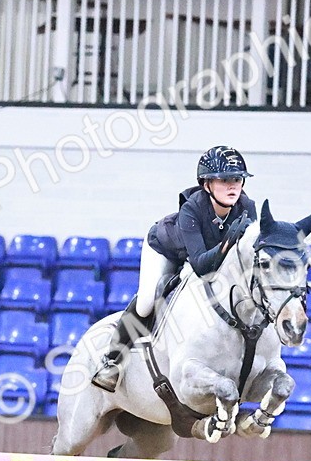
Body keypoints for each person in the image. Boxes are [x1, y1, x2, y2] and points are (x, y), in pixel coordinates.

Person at [92, 145, 257, 392]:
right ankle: (112, 361)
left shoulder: (248, 207)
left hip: (208, 256)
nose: (233, 186)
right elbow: (201, 265)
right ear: (207, 184)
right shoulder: (192, 209)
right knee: (147, 301)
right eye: (224, 180)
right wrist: (227, 243)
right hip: (166, 250)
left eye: (237, 179)